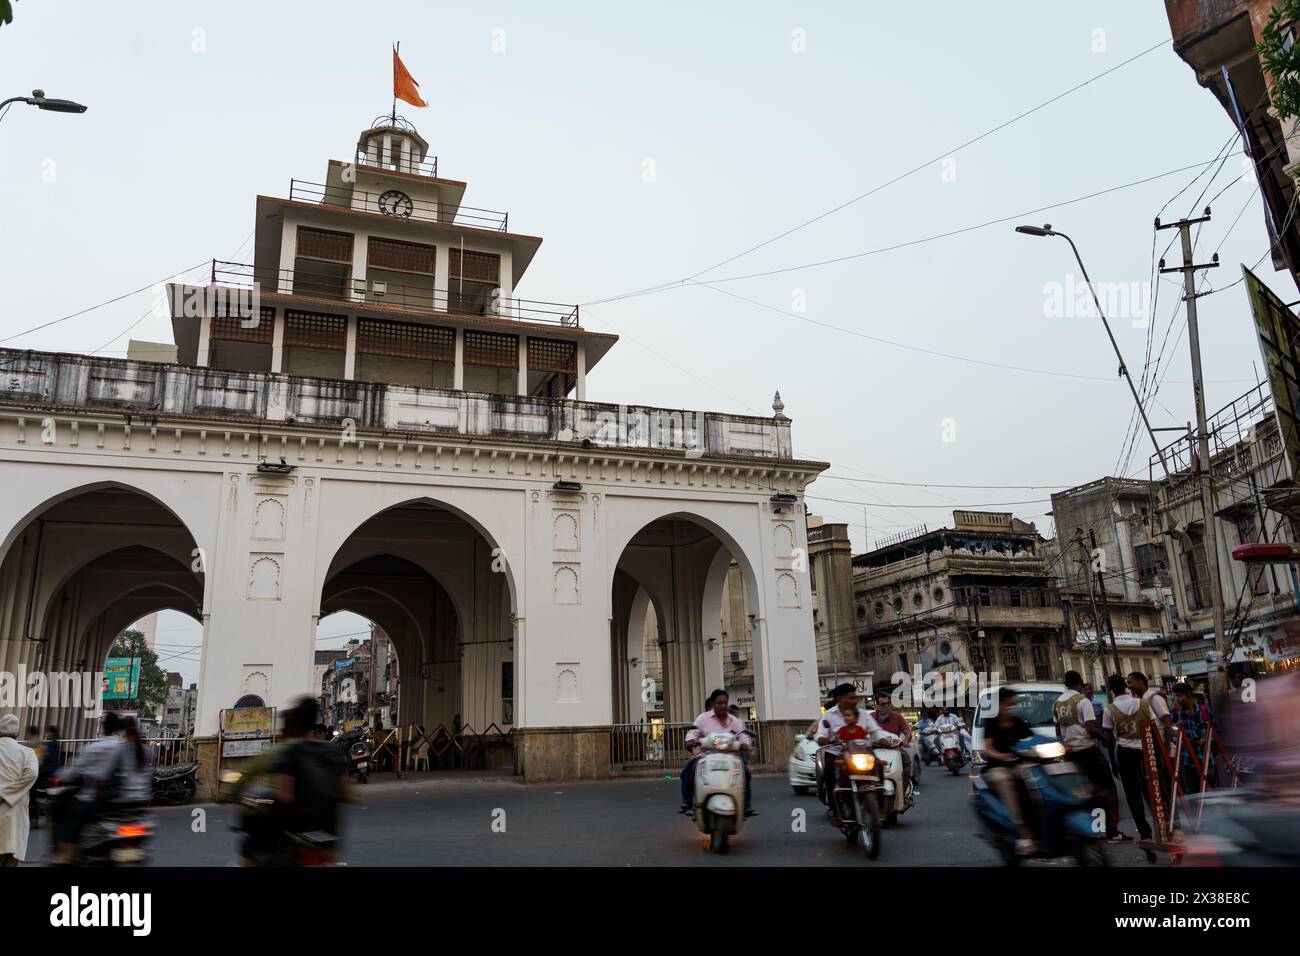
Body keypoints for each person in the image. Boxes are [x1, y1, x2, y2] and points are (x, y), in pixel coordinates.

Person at [233, 696, 349, 865]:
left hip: (296, 832)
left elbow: (284, 795)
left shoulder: (290, 752)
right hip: (329, 834)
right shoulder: (332, 752)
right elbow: (348, 795)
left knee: (251, 845)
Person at [1054, 670, 1126, 844]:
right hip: (1087, 750)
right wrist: (1105, 738)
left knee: (1083, 792)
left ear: (1065, 684)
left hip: (1070, 753)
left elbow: (1058, 731)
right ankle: (1111, 831)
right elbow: (1091, 729)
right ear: (1079, 682)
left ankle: (1094, 830)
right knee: (1106, 790)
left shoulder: (1057, 703)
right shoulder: (1083, 701)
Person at [51, 711, 124, 864]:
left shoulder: (95, 748)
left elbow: (71, 771)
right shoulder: (126, 748)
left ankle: (65, 854)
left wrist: (59, 777)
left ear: (103, 727)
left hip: (94, 800)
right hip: (122, 803)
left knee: (67, 814)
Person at [680, 689, 755, 818]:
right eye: (719, 703)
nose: (723, 706)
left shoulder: (735, 721)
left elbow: (743, 736)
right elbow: (693, 732)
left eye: (725, 703)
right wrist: (691, 740)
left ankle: (746, 806)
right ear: (713, 704)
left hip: (731, 757)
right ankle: (688, 804)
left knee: (745, 773)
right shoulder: (703, 719)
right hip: (706, 756)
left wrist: (746, 745)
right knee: (688, 770)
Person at [1102, 673, 1157, 846]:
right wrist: (1157, 754)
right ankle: (1163, 826)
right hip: (1145, 751)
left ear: (1111, 691)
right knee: (1152, 790)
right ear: (1126, 686)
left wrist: (1112, 760)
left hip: (1125, 753)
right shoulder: (1143, 703)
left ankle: (1145, 833)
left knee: (1133, 794)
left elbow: (1110, 738)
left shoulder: (1109, 710)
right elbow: (1153, 729)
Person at [983, 687, 1035, 855]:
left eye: (1015, 704)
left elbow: (1032, 740)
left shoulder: (1018, 722)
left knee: (1035, 777)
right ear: (1000, 705)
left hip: (1019, 764)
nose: (1013, 706)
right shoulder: (991, 723)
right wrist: (1002, 756)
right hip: (997, 767)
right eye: (1009, 703)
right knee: (1005, 781)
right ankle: (1020, 828)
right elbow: (988, 749)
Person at [0, 714, 39, 867]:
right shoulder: (27, 752)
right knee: (9, 855)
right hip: (14, 816)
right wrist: (6, 794)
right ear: (17, 734)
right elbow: (32, 774)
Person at [1171, 682, 1214, 795]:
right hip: (1186, 761)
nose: (1177, 699)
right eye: (1176, 696)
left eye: (1180, 696)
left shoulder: (1204, 711)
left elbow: (1216, 732)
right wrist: (1183, 742)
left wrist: (1205, 740)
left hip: (1206, 760)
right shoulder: (1175, 713)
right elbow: (1173, 735)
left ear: (1189, 695)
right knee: (1192, 794)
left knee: (1210, 792)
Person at [869, 690, 914, 796]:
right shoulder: (870, 717)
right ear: (876, 705)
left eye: (888, 703)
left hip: (894, 749)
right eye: (882, 704)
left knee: (906, 762)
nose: (886, 706)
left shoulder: (897, 716)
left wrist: (906, 740)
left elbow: (907, 732)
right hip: (874, 749)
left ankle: (902, 794)